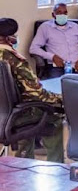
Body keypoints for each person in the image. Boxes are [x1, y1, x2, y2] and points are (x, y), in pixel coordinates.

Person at [0, 18, 65, 163]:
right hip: (14, 116)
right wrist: (61, 99)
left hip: (5, 115)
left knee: (27, 123)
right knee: (54, 119)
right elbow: (36, 93)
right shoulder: (14, 59)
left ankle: (23, 164)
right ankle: (57, 169)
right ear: (8, 38)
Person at [30, 3, 78, 78]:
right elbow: (33, 48)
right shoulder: (45, 27)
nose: (62, 15)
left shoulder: (75, 27)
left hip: (77, 66)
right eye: (59, 13)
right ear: (53, 14)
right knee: (58, 87)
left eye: (65, 13)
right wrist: (52, 57)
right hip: (57, 67)